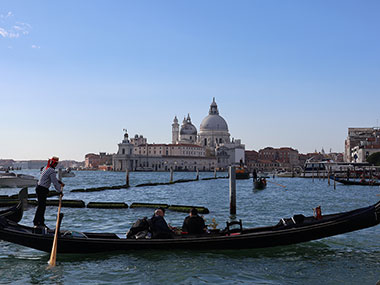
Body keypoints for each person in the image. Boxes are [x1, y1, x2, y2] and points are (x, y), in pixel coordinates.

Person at [33, 156, 64, 228]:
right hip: (42, 189)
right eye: (55, 163)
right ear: (53, 163)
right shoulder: (51, 170)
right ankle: (39, 222)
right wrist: (60, 191)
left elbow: (53, 179)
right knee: (42, 206)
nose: (56, 165)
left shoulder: (46, 168)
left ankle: (38, 222)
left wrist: (59, 182)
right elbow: (54, 182)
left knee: (41, 206)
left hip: (39, 188)